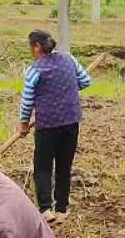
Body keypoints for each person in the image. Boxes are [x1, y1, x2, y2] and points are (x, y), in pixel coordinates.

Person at [18, 29, 93, 223]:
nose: (30, 51)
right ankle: (61, 209)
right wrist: (66, 89)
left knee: (42, 166)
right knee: (64, 166)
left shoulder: (35, 70)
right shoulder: (69, 59)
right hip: (71, 121)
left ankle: (45, 209)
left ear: (37, 47)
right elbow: (85, 81)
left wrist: (24, 124)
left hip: (48, 125)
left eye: (30, 47)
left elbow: (27, 101)